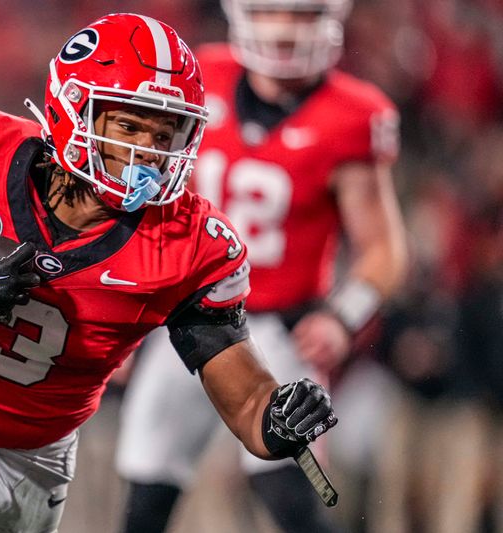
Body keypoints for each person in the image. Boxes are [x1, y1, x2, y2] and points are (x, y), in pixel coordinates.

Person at [0, 13, 337, 533]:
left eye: (164, 133)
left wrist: (276, 419)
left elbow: (245, 399)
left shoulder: (187, 243)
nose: (147, 153)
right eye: (129, 125)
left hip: (41, 456)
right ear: (71, 110)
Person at [115, 2, 408, 532]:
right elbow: (143, 205)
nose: (285, 28)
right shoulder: (202, 77)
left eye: (302, 13)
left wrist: (342, 317)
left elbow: (385, 249)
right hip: (186, 320)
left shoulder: (353, 113)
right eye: (272, 9)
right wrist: (123, 322)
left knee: (290, 493)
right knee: (146, 492)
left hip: (279, 330)